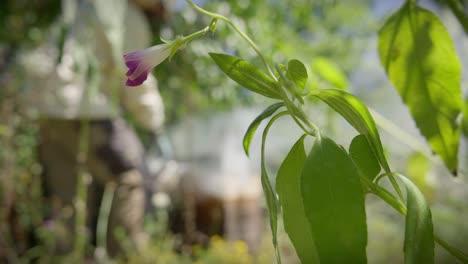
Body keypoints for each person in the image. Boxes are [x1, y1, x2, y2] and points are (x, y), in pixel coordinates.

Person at [18, 0, 167, 257]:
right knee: (129, 177)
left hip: (45, 106)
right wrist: (154, 121)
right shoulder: (126, 14)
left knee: (67, 200)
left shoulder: (85, 5)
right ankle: (124, 256)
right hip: (83, 108)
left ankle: (66, 257)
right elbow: (136, 74)